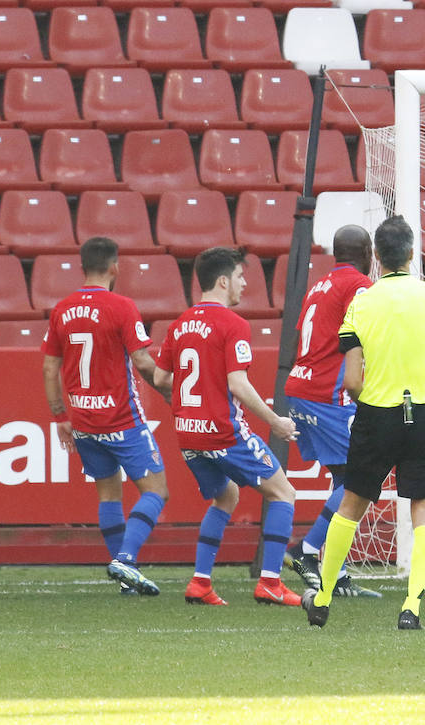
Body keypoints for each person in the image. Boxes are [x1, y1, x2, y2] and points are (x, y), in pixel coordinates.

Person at [301, 216, 425, 630]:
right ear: (412, 253)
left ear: (377, 258)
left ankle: (324, 598)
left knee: (351, 505)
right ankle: (412, 608)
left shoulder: (362, 302)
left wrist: (370, 405)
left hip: (377, 414)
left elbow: (350, 380)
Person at [153, 247, 303, 608]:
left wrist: (189, 407)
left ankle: (200, 582)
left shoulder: (180, 323)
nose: (244, 282)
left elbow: (160, 378)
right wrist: (275, 422)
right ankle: (270, 582)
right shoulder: (234, 324)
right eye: (240, 276)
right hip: (222, 432)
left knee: (227, 495)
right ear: (223, 280)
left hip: (188, 432)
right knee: (284, 494)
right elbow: (237, 384)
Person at [41, 237, 171, 597]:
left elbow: (50, 368)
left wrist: (60, 415)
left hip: (82, 421)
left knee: (109, 495)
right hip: (121, 419)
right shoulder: (122, 306)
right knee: (156, 491)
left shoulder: (61, 310)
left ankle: (124, 577)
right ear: (114, 267)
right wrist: (169, 389)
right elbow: (143, 361)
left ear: (83, 267)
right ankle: (126, 560)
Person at [281, 224, 380, 599]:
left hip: (301, 387)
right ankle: (305, 552)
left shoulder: (318, 286)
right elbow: (375, 332)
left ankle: (332, 574)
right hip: (327, 393)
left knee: (345, 478)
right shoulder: (358, 286)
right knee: (360, 480)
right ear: (368, 253)